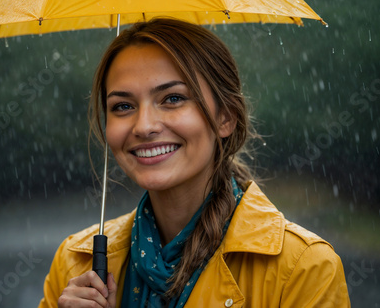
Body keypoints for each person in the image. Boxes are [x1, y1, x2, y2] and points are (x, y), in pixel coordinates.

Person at [38, 18, 350, 308]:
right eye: (122, 105)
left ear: (225, 117)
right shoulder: (74, 264)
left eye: (173, 98)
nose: (144, 126)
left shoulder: (305, 269)